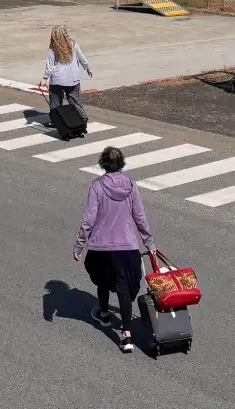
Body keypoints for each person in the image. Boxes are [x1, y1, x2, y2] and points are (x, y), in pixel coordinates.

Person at [73, 146, 156, 354]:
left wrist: (79, 245)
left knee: (102, 279)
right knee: (124, 288)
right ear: (122, 164)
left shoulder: (97, 187)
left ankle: (102, 312)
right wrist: (150, 243)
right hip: (127, 246)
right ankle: (127, 335)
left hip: (101, 247)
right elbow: (140, 217)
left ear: (102, 164)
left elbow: (88, 220)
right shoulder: (130, 186)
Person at [39, 25, 92, 121]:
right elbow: (82, 58)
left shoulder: (52, 48)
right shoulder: (73, 44)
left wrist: (45, 78)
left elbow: (50, 66)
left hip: (57, 80)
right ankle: (82, 119)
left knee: (55, 103)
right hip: (73, 79)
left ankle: (57, 121)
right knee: (75, 101)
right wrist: (87, 68)